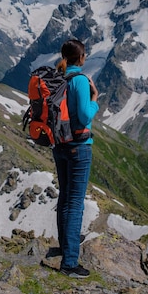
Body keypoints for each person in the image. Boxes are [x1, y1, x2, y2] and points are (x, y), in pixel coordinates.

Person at [52, 39, 99, 278]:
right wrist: (95, 100)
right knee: (75, 203)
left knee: (65, 197)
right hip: (79, 147)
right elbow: (83, 115)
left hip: (59, 145)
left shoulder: (57, 78)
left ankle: (65, 245)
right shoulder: (80, 80)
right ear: (80, 58)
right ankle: (70, 263)